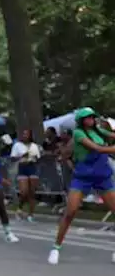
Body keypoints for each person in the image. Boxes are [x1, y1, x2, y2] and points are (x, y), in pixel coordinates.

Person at [49, 108, 115, 264]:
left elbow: (112, 135)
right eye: (87, 117)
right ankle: (56, 248)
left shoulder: (98, 131)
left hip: (102, 176)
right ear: (81, 120)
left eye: (92, 116)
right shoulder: (78, 133)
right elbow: (97, 148)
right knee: (70, 212)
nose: (91, 119)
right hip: (83, 177)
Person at [11, 128, 41, 222]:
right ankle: (19, 208)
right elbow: (12, 158)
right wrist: (21, 156)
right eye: (23, 134)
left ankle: (31, 214)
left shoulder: (34, 146)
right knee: (24, 192)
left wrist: (35, 158)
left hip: (32, 167)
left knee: (32, 193)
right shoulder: (17, 145)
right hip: (22, 167)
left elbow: (38, 158)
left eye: (27, 134)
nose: (25, 136)